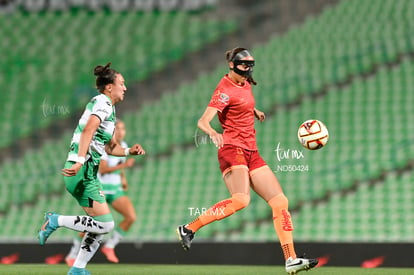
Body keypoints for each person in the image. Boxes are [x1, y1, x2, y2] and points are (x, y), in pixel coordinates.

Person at [176, 47, 318, 274]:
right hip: (232, 148)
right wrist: (213, 133)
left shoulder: (246, 82)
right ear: (231, 65)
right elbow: (203, 121)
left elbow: (241, 102)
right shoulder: (223, 90)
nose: (247, 71)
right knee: (241, 200)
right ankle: (189, 228)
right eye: (243, 66)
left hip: (252, 150)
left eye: (250, 66)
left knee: (280, 202)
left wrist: (255, 111)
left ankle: (290, 259)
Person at [38, 63, 145, 275]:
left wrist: (128, 151)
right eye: (121, 84)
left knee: (99, 226)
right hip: (82, 170)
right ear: (109, 87)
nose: (125, 88)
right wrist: (79, 160)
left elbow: (111, 147)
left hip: (85, 171)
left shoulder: (109, 110)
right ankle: (55, 220)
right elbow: (88, 130)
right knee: (106, 225)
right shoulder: (102, 103)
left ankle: (78, 268)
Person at [65, 120, 137, 266]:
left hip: (115, 189)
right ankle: (72, 254)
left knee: (131, 217)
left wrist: (123, 178)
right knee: (93, 224)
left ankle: (110, 246)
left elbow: (117, 165)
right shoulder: (104, 145)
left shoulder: (123, 146)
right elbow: (103, 170)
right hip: (101, 188)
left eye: (123, 128)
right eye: (117, 128)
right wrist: (125, 165)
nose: (121, 131)